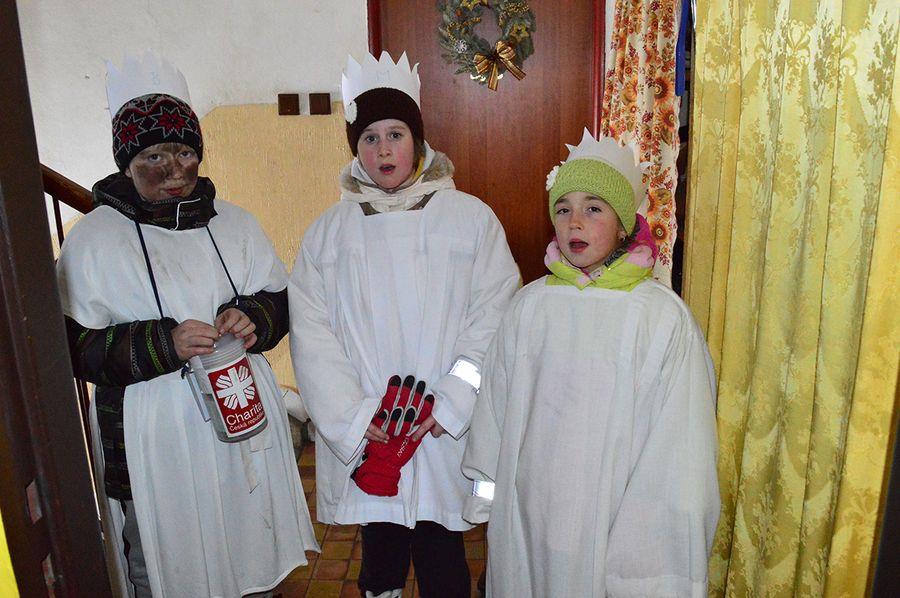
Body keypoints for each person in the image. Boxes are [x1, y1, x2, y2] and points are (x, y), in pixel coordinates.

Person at [56, 52, 317, 597]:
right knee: (165, 564)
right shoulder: (94, 239)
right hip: (150, 438)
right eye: (153, 155)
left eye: (184, 152)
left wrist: (253, 318)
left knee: (248, 546)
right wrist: (163, 342)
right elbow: (73, 345)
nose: (174, 169)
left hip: (238, 416)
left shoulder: (236, 223)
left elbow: (278, 297)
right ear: (126, 162)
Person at [289, 51, 519, 598]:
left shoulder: (470, 220)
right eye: (369, 138)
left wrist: (451, 402)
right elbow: (312, 334)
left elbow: (494, 314)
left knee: (442, 552)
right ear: (355, 149)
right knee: (381, 548)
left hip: (437, 425)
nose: (384, 149)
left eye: (396, 134)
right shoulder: (329, 234)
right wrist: (355, 414)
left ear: (418, 141)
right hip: (373, 429)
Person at [461, 129, 720, 597]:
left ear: (623, 225)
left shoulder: (661, 318)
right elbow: (495, 407)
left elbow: (680, 444)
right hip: (530, 513)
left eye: (594, 208)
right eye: (563, 209)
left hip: (613, 520)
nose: (575, 222)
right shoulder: (529, 307)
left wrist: (647, 550)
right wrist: (489, 498)